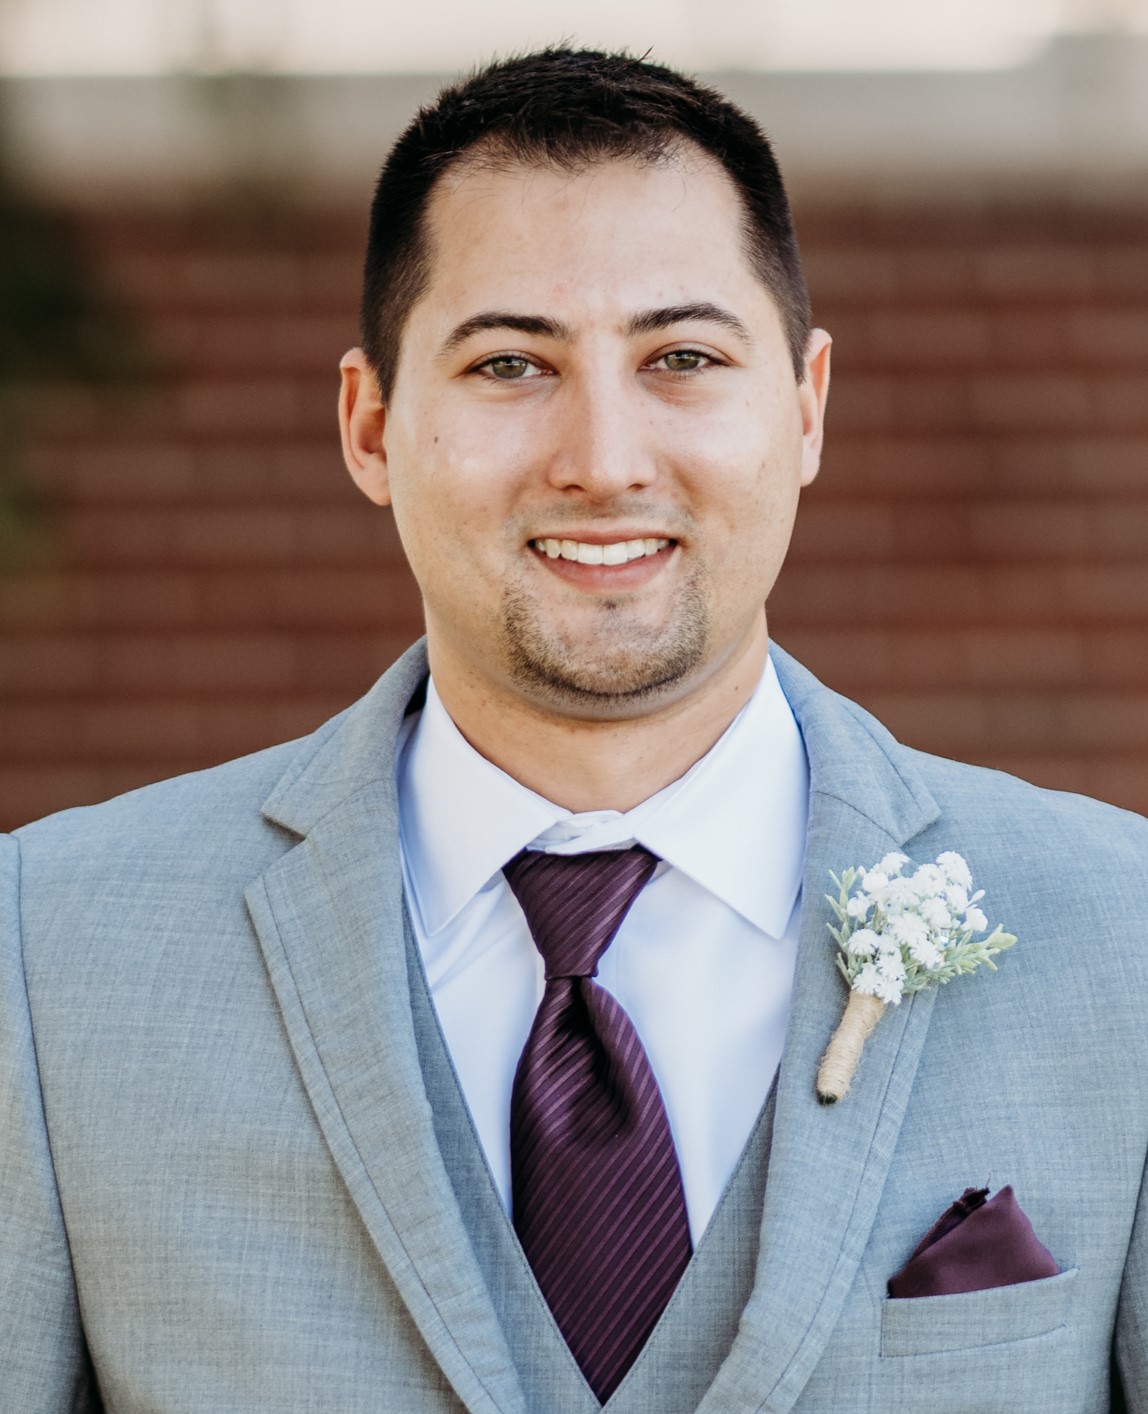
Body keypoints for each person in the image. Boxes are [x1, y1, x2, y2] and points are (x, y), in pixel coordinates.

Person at [2, 47, 1146, 1414]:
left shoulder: (1124, 938)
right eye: (508, 362)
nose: (603, 457)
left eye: (681, 356)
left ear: (806, 407)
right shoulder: (47, 954)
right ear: (370, 426)